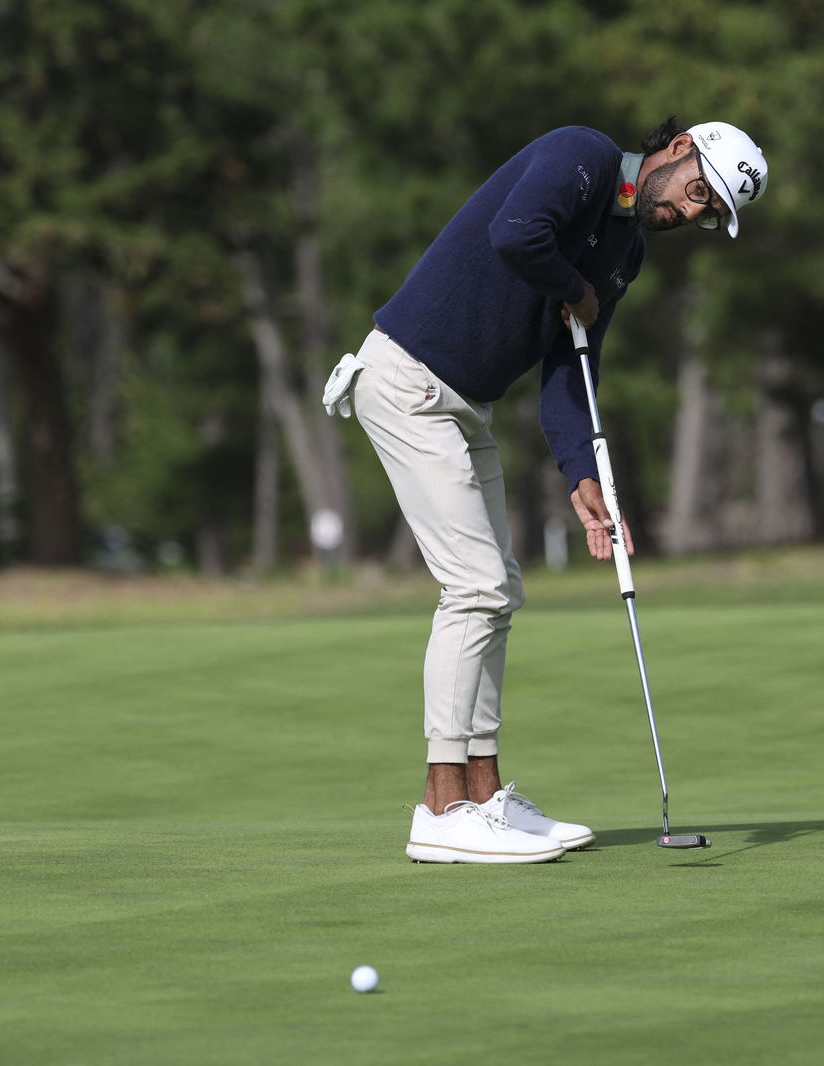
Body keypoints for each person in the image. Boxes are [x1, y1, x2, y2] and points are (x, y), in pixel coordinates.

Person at [327, 116, 769, 863]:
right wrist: (576, 289)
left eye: (709, 214)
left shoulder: (625, 251)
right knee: (473, 588)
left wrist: (583, 475)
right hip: (404, 382)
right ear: (680, 147)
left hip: (465, 404)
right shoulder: (584, 155)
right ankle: (440, 808)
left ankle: (485, 794)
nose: (691, 213)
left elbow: (573, 368)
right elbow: (516, 233)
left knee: (501, 588)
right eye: (699, 193)